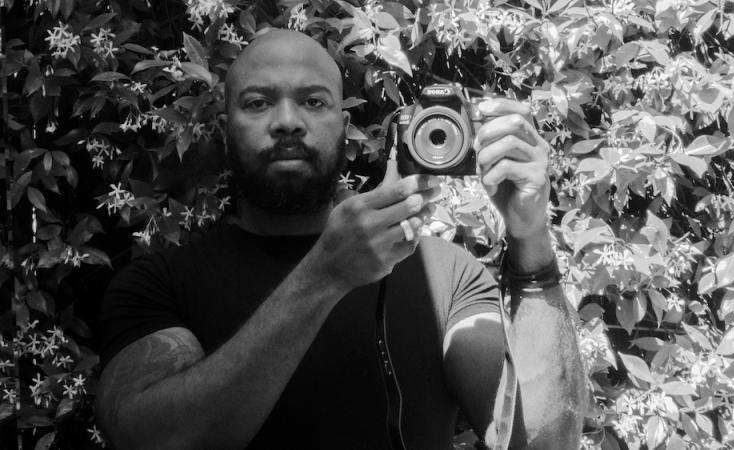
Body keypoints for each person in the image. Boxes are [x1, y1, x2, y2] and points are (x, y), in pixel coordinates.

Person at [96, 29, 586, 450]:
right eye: (258, 102)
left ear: (344, 128)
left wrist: (531, 237)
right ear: (226, 133)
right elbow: (148, 438)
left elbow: (545, 440)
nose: (288, 121)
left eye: (313, 101)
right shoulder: (157, 284)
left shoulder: (447, 277)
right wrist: (322, 276)